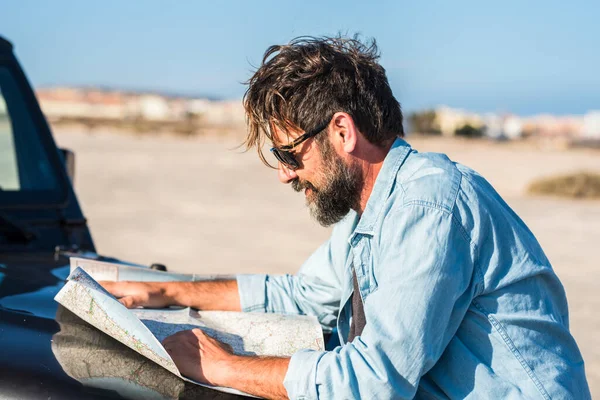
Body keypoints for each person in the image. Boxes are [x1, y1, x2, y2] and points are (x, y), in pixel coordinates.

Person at [101, 36, 590, 399]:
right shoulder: (369, 209)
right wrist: (169, 291)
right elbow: (305, 296)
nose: (286, 176)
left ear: (341, 131)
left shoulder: (428, 208)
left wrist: (224, 368)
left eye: (290, 154)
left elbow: (375, 379)